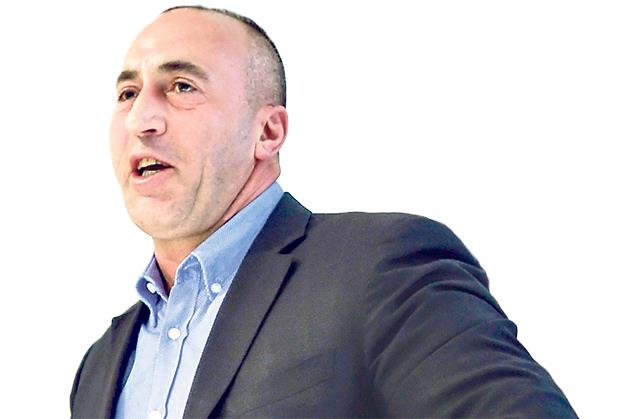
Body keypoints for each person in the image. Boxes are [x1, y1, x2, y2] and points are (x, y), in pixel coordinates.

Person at [70, 5, 577, 418]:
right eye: (128, 94)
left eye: (182, 87)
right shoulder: (99, 368)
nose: (141, 119)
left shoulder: (379, 270)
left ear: (267, 133)